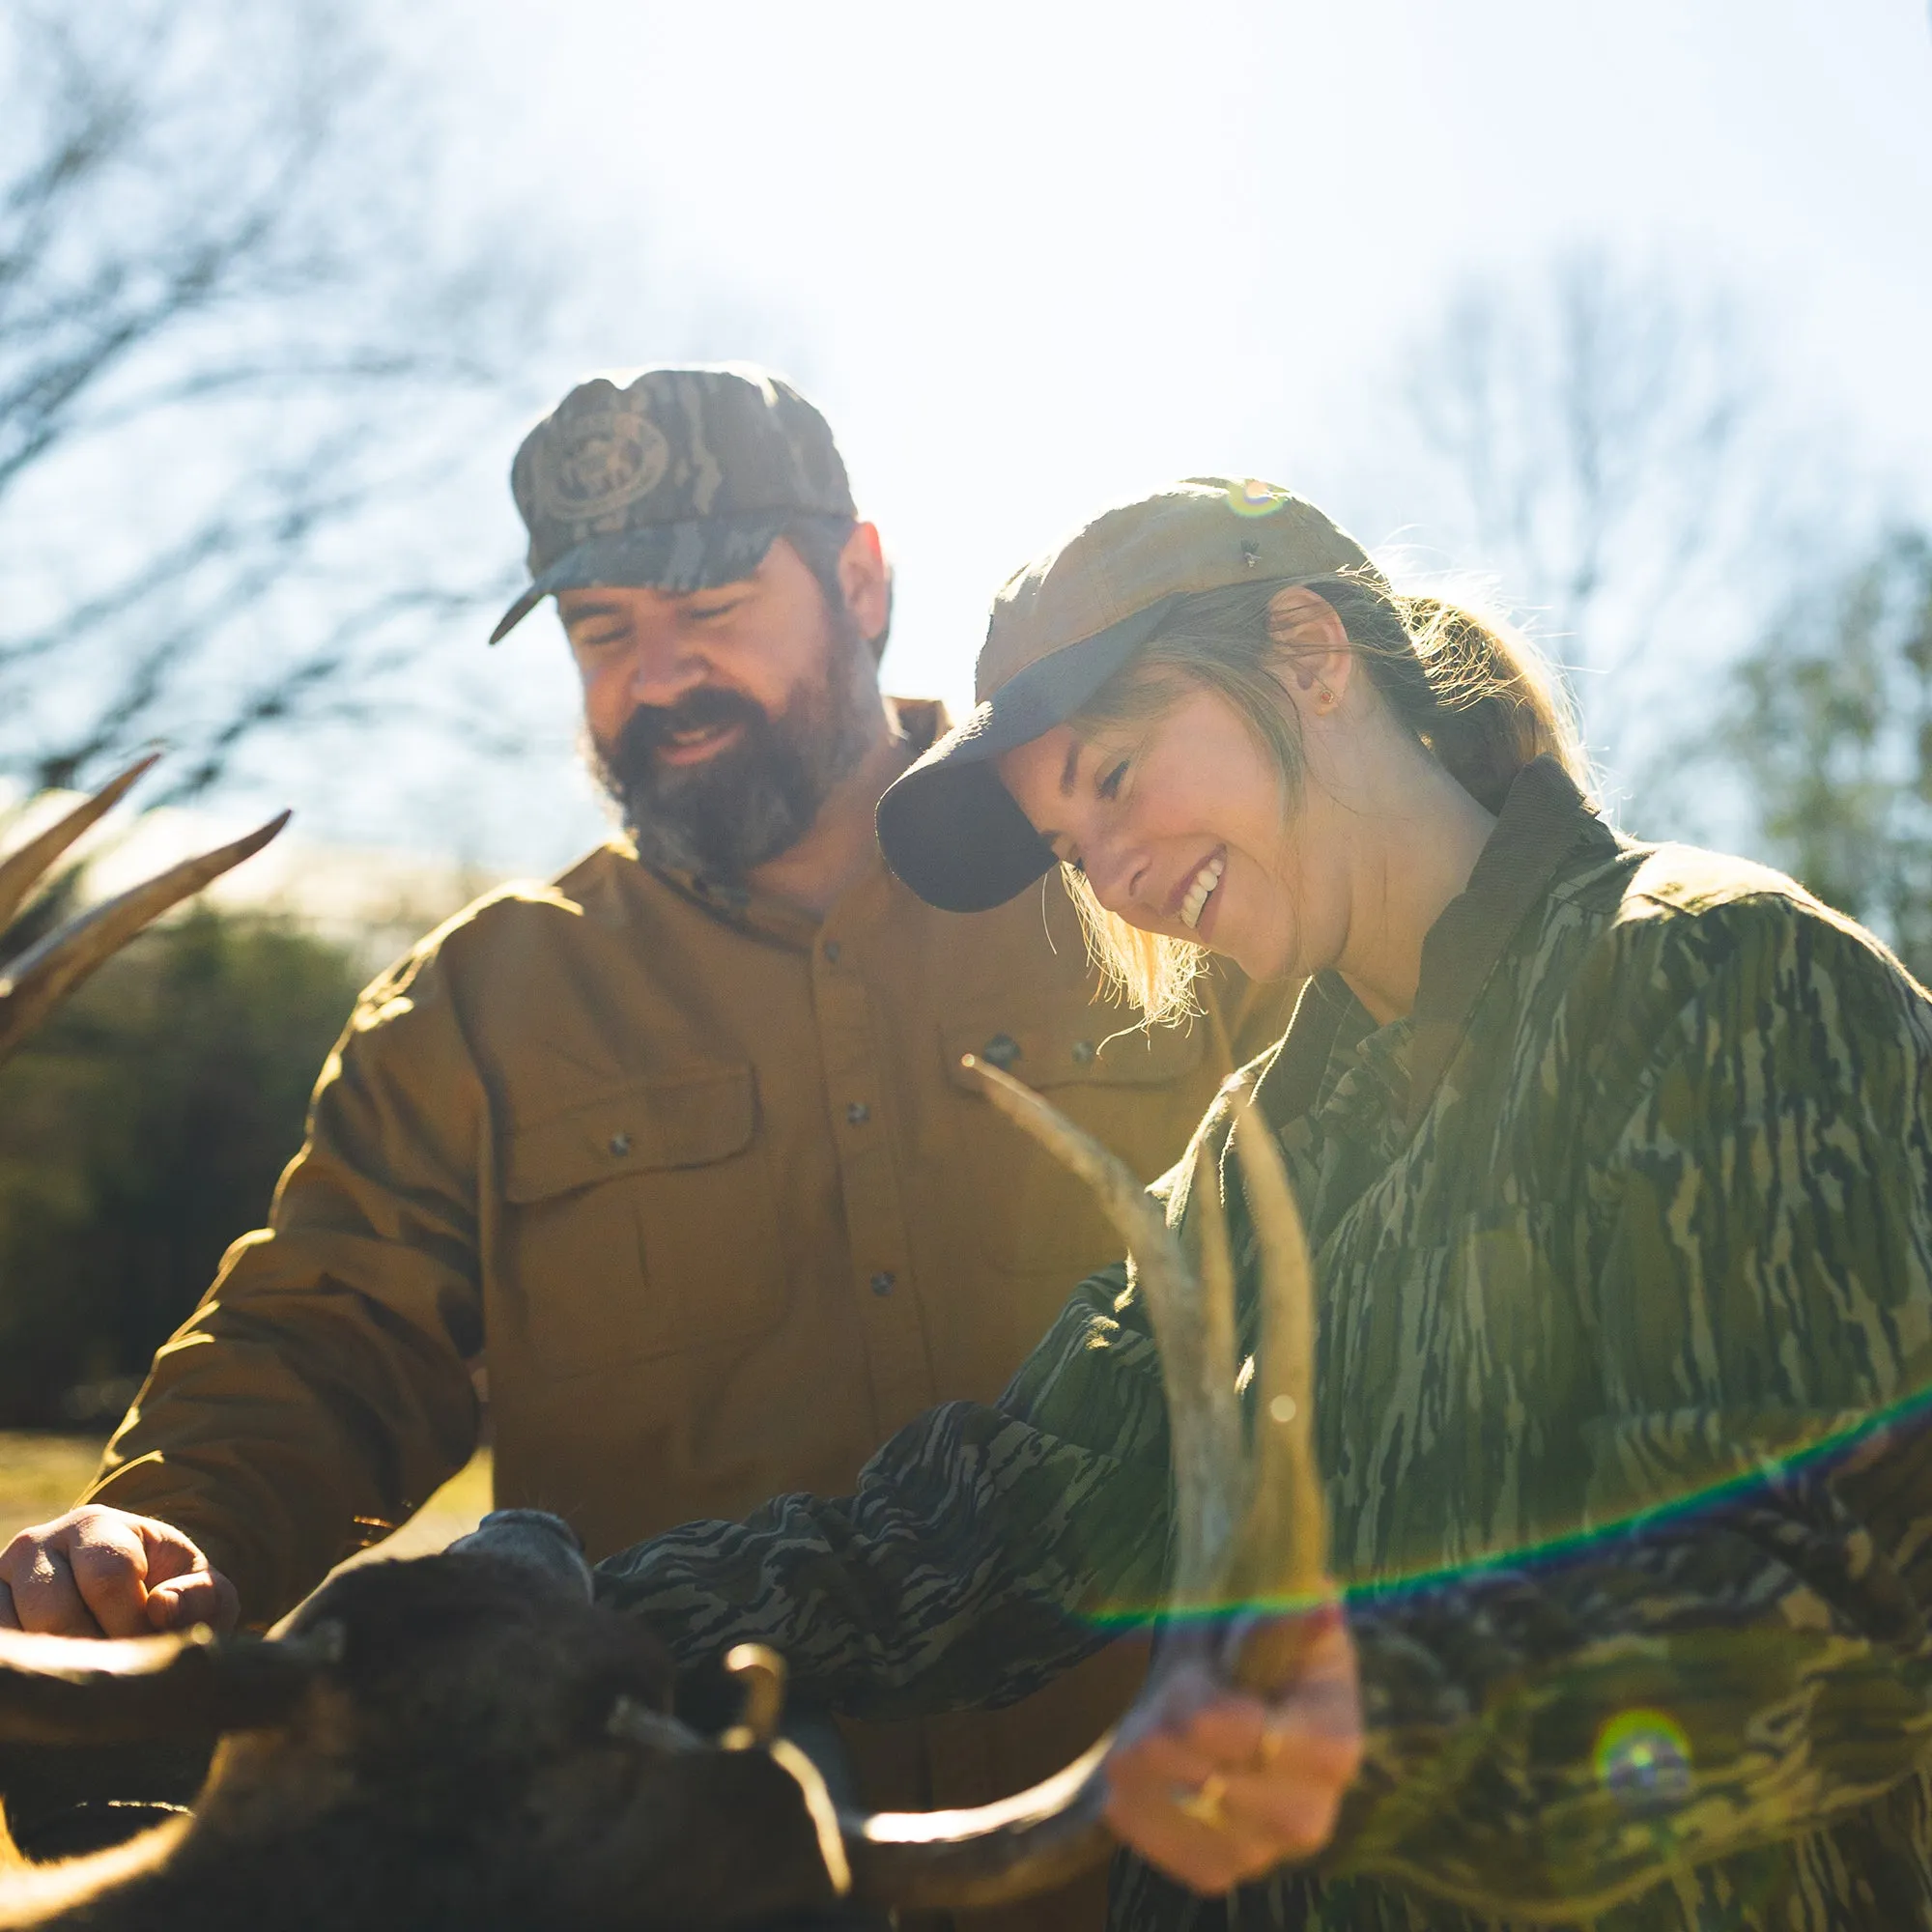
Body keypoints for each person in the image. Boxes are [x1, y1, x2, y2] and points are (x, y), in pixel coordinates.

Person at [0, 377, 1293, 1924]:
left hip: (1199, 1856)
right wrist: (156, 1538)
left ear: (865, 582)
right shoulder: (475, 1008)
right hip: (669, 1886)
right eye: (601, 631)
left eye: (712, 605)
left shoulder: (1156, 887)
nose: (659, 676)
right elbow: (319, 1346)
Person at [591, 476, 1932, 1930]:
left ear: (1310, 653)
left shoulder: (1717, 983)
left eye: (1110, 777)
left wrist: (1378, 1733)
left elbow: (1836, 1597)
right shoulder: (1258, 1156)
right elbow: (1002, 1526)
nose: (1109, 874)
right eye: (1066, 850)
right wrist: (579, 1627)